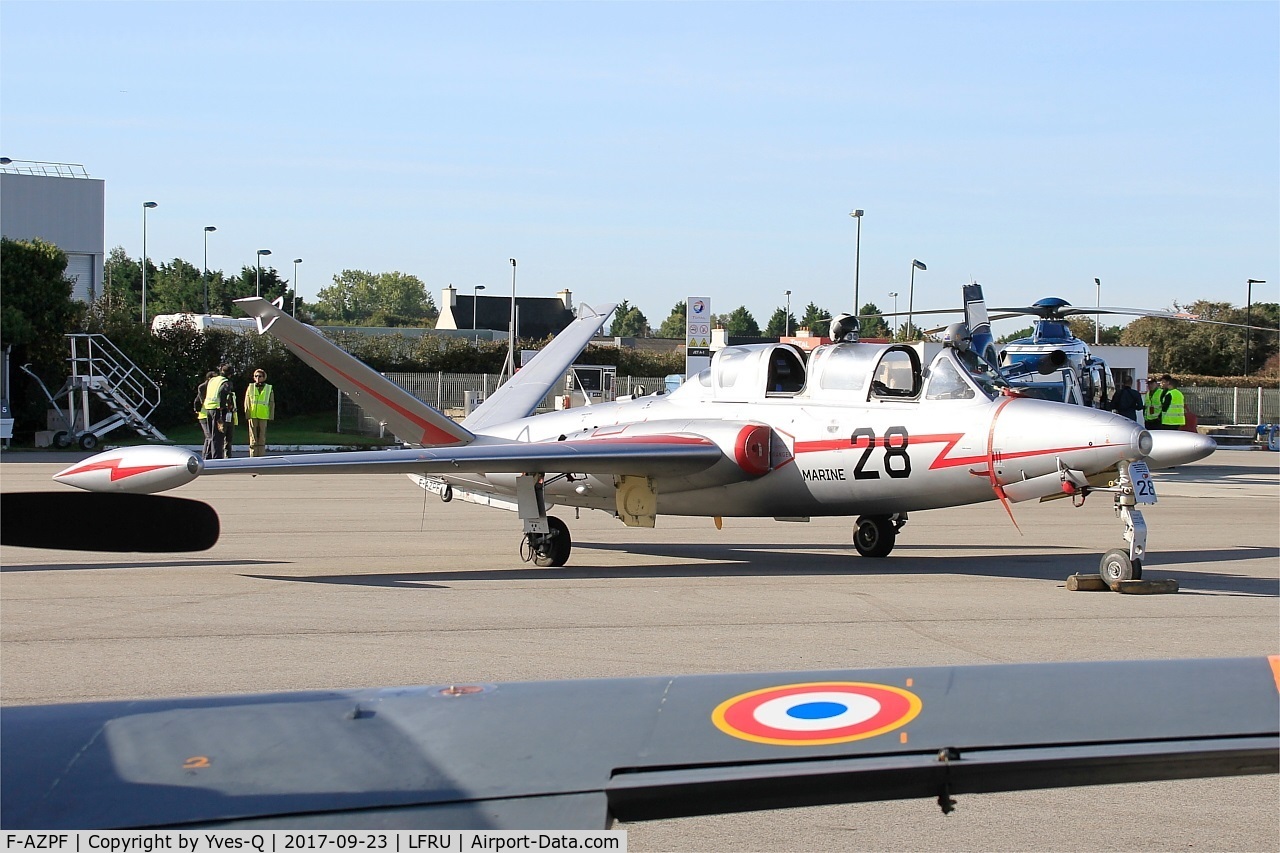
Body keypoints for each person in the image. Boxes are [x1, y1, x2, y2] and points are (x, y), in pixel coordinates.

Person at [201, 364, 237, 459]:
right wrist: (222, 406)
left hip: (208, 408)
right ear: (230, 374)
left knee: (211, 436)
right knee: (218, 436)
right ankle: (217, 459)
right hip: (217, 410)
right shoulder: (226, 382)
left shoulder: (213, 379)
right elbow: (223, 392)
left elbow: (201, 388)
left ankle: (208, 458)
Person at [243, 368, 275, 458]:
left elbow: (271, 402)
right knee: (252, 436)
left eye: (260, 376)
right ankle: (253, 455)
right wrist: (247, 413)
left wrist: (271, 415)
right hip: (253, 415)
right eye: (256, 376)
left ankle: (261, 455)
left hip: (263, 414)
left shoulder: (269, 388)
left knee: (262, 435)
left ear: (264, 377)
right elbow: (247, 401)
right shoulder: (251, 387)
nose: (257, 378)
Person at [194, 371, 217, 458]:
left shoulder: (213, 388)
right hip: (204, 415)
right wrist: (197, 410)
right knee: (209, 436)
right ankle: (206, 457)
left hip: (210, 414)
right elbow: (197, 401)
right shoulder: (203, 387)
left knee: (210, 437)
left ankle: (207, 456)